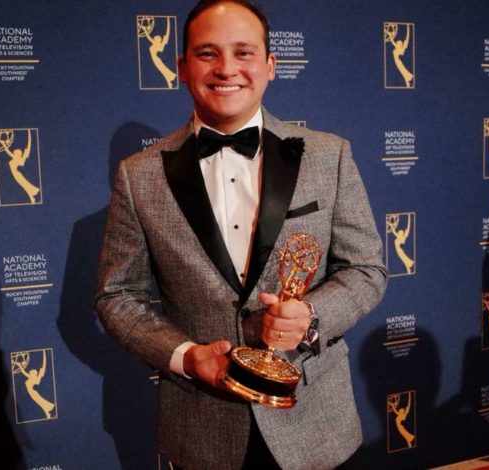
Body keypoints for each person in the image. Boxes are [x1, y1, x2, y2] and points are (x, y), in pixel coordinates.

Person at [94, 1, 387, 468]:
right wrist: (186, 356)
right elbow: (117, 296)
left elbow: (366, 270)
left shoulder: (328, 156)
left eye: (243, 52)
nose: (226, 68)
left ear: (270, 65)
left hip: (315, 427)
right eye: (207, 53)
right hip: (202, 428)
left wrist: (311, 317)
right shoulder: (138, 175)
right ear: (182, 68)